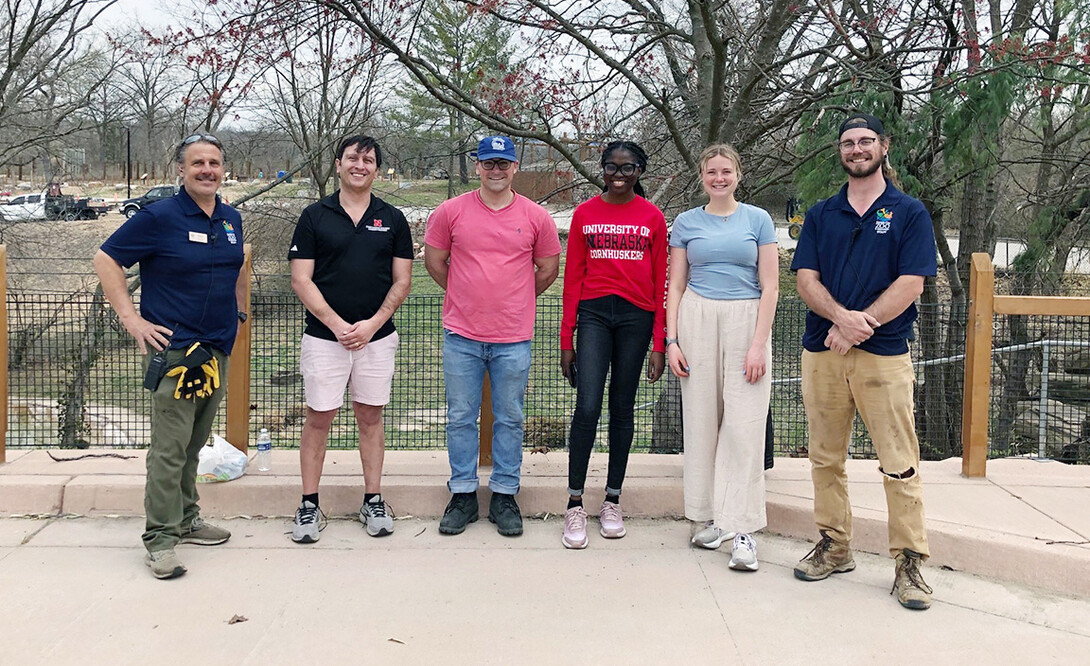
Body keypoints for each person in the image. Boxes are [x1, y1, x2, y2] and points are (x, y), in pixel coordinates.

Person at [789, 113, 937, 610]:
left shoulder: (910, 212)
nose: (857, 149)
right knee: (825, 458)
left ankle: (910, 563)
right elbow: (805, 279)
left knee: (899, 463)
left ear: (883, 146)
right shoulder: (820, 214)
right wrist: (837, 318)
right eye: (849, 142)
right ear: (840, 150)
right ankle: (835, 546)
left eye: (866, 141)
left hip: (883, 355)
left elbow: (912, 282)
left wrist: (860, 324)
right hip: (823, 352)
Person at [93, 134, 245, 579]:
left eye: (214, 163)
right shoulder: (158, 217)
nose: (207, 170)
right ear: (180, 170)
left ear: (222, 169)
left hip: (216, 349)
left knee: (195, 443)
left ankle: (187, 517)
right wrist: (131, 318)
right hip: (175, 352)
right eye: (197, 163)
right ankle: (160, 539)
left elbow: (237, 269)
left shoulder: (231, 218)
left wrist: (237, 316)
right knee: (169, 448)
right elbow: (106, 259)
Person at [424, 135, 561, 537]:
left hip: (513, 337)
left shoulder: (536, 217)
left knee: (511, 418)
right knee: (461, 417)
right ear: (478, 167)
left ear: (515, 166)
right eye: (489, 164)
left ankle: (504, 493)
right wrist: (467, 296)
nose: (496, 171)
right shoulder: (451, 212)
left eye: (503, 164)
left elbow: (548, 269)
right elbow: (435, 261)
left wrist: (513, 300)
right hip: (461, 334)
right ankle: (463, 493)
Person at [286, 135, 413, 543]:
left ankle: (373, 500)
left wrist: (373, 324)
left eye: (369, 159)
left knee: (371, 416)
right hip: (325, 338)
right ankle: (309, 505)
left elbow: (403, 280)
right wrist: (338, 324)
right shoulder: (314, 216)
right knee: (319, 417)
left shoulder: (392, 218)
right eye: (353, 158)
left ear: (378, 169)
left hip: (377, 339)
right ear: (338, 164)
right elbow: (300, 279)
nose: (361, 165)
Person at [665, 144, 778, 571]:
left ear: (738, 174)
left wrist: (757, 343)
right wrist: (672, 340)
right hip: (696, 318)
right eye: (711, 171)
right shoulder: (686, 222)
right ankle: (708, 516)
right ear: (702, 175)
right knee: (701, 420)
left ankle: (744, 529)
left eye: (726, 171)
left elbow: (770, 286)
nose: (719, 178)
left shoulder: (759, 220)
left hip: (745, 320)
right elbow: (675, 285)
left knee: (745, 426)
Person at [559, 140, 667, 549]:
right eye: (611, 167)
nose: (619, 175)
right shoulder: (586, 213)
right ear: (601, 169)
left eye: (628, 168)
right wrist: (567, 338)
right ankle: (574, 503)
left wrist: (659, 342)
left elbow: (660, 285)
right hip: (594, 317)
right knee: (587, 406)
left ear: (640, 171)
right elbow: (572, 280)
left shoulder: (653, 217)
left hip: (636, 319)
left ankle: (612, 500)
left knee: (622, 407)